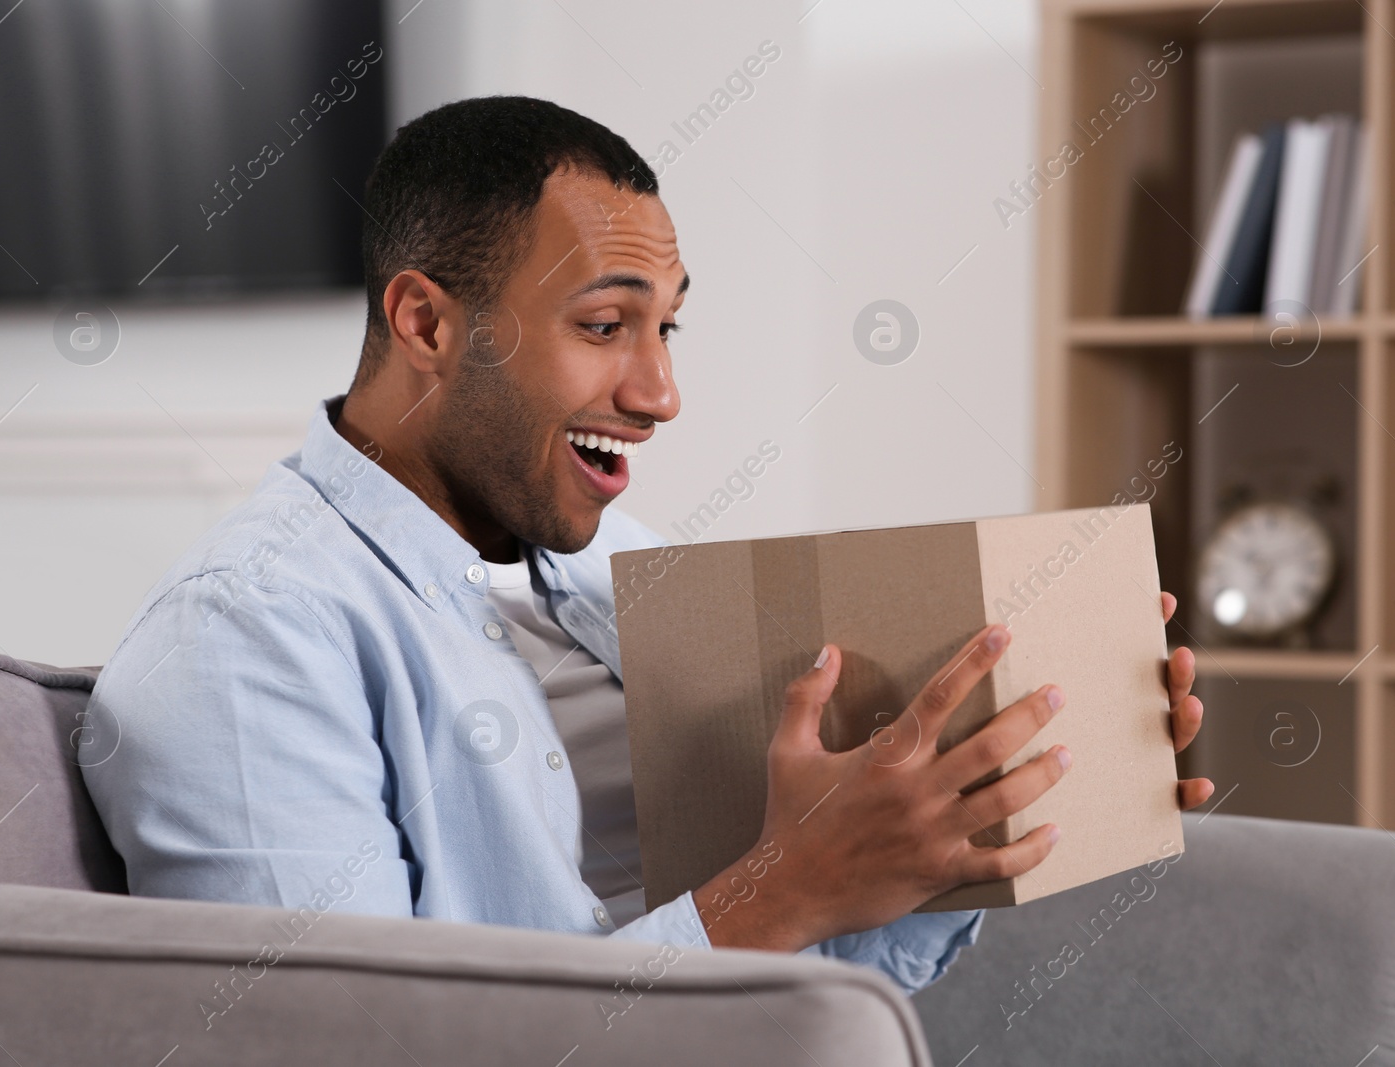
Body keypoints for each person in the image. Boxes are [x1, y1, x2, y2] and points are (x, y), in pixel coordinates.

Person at [82, 96, 1211, 999]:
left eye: (665, 325)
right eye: (602, 324)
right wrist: (786, 885)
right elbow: (345, 1048)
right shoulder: (243, 639)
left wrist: (968, 805)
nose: (660, 392)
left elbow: (813, 969)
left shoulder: (616, 566)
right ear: (426, 324)